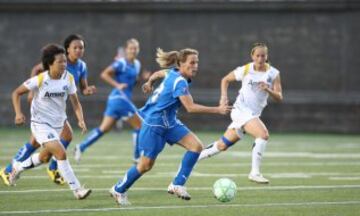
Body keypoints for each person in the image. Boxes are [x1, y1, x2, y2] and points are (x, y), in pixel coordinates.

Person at [109, 48, 231, 205]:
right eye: (192, 63)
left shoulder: (172, 72)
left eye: (197, 62)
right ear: (181, 64)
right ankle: (118, 189)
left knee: (196, 146)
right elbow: (190, 107)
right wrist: (218, 110)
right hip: (154, 124)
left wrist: (149, 82)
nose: (195, 66)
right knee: (145, 165)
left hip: (169, 122)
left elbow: (159, 73)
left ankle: (177, 184)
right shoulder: (179, 81)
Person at [0, 34, 96, 186]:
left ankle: (52, 166)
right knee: (36, 143)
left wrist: (87, 90)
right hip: (43, 109)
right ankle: (10, 169)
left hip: (57, 111)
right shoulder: (57, 62)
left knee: (66, 136)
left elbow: (82, 89)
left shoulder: (82, 66)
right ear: (67, 50)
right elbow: (37, 70)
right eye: (75, 47)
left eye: (81, 48)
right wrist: (31, 92)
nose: (78, 50)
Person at [198, 43, 283, 184]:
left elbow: (279, 97)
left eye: (263, 55)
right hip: (240, 110)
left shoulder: (273, 73)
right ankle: (255, 173)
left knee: (222, 145)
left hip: (252, 114)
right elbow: (225, 80)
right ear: (252, 56)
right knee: (263, 134)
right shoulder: (246, 69)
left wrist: (268, 90)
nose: (261, 58)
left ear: (267, 56)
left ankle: (194, 157)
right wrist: (223, 98)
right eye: (258, 55)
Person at [74, 38, 146, 163]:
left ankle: (81, 147)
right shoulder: (121, 63)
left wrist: (143, 79)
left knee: (104, 129)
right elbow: (104, 74)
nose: (133, 51)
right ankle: (137, 157)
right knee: (141, 125)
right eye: (131, 48)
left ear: (138, 50)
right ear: (126, 50)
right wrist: (117, 85)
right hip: (119, 98)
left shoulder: (137, 64)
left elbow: (132, 81)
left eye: (135, 48)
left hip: (117, 100)